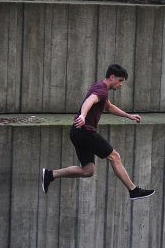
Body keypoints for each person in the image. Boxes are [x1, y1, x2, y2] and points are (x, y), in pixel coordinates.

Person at [41, 64, 155, 200]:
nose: (121, 85)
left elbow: (109, 107)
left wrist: (128, 116)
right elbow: (90, 100)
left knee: (88, 171)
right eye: (120, 80)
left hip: (77, 132)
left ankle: (50, 174)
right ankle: (133, 190)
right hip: (85, 132)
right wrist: (83, 115)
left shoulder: (100, 87)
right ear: (112, 77)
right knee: (115, 156)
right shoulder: (101, 90)